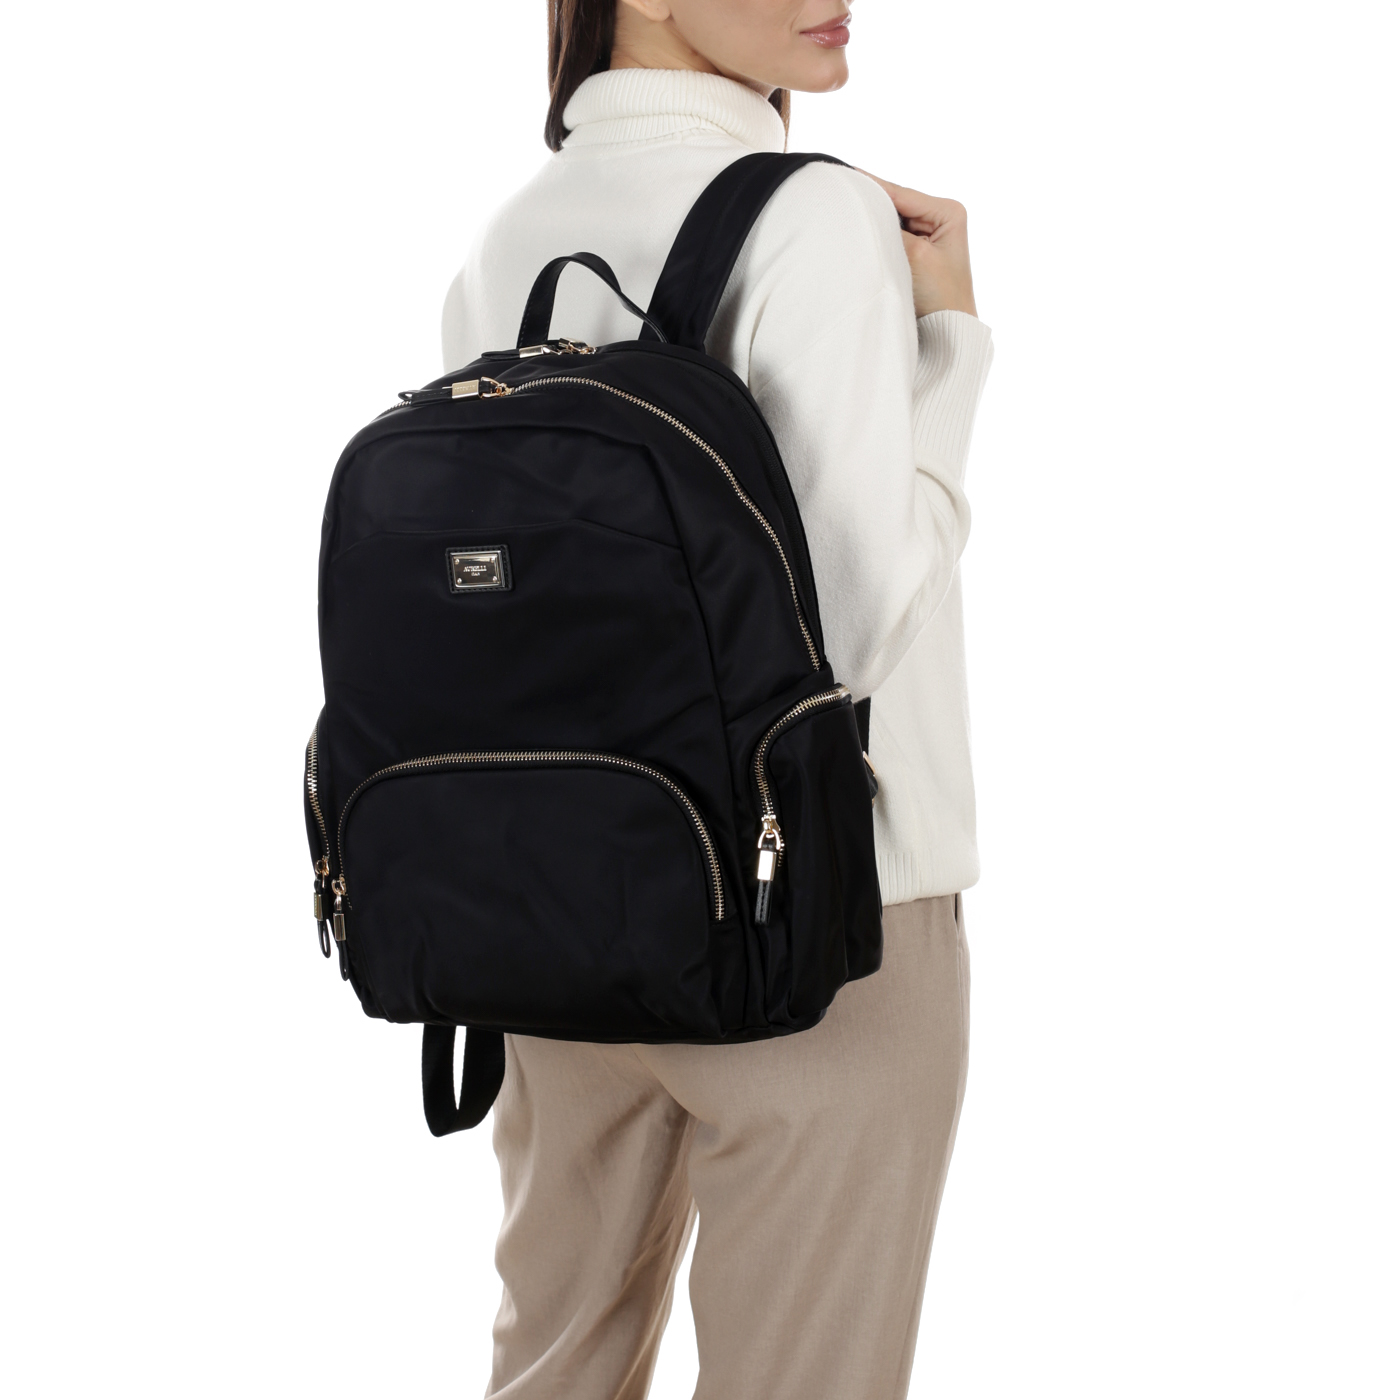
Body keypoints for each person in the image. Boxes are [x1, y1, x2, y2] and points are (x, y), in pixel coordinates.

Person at [440, 4, 994, 1396]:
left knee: (553, 1371)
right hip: (823, 924)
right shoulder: (813, 219)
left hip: (551, 922)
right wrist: (950, 352)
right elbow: (850, 622)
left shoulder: (513, 236)